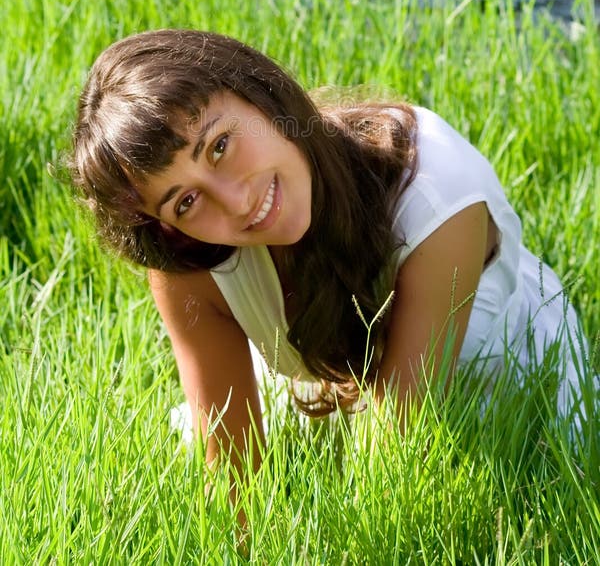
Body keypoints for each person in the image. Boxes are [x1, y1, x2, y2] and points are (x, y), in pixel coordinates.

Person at [71, 28, 591, 470]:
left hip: (506, 389)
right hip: (340, 384)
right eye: (185, 200)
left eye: (220, 146)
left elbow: (393, 457)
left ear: (259, 92)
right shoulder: (189, 253)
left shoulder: (437, 196)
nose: (236, 202)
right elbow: (232, 470)